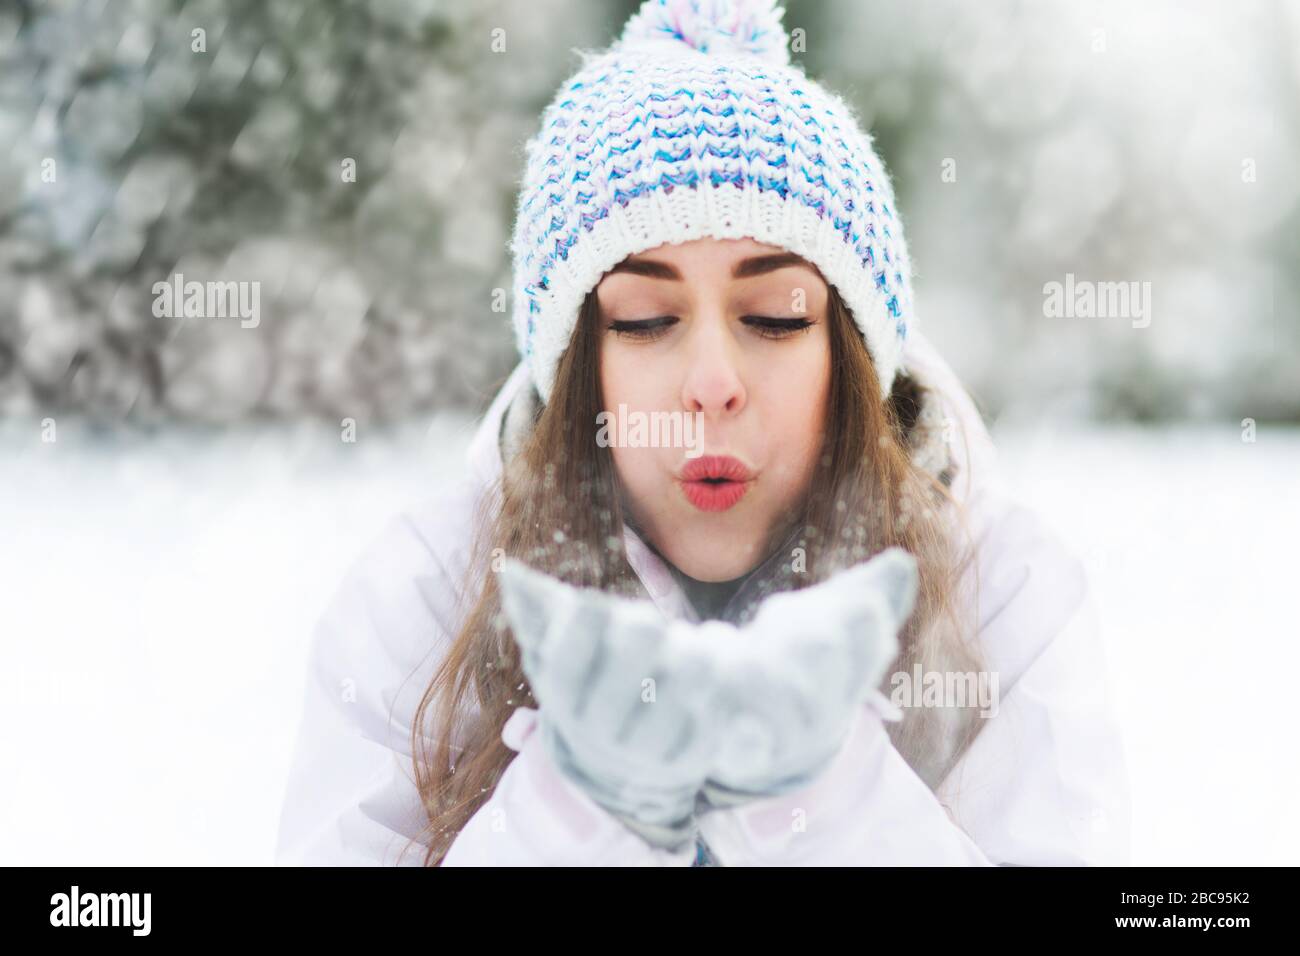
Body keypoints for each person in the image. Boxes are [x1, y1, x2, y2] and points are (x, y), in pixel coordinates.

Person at [274, 0, 1130, 867]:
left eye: (773, 315)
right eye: (646, 319)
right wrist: (574, 815)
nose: (713, 385)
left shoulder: (1002, 597)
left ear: (853, 356)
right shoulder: (426, 599)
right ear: (576, 368)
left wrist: (830, 801)